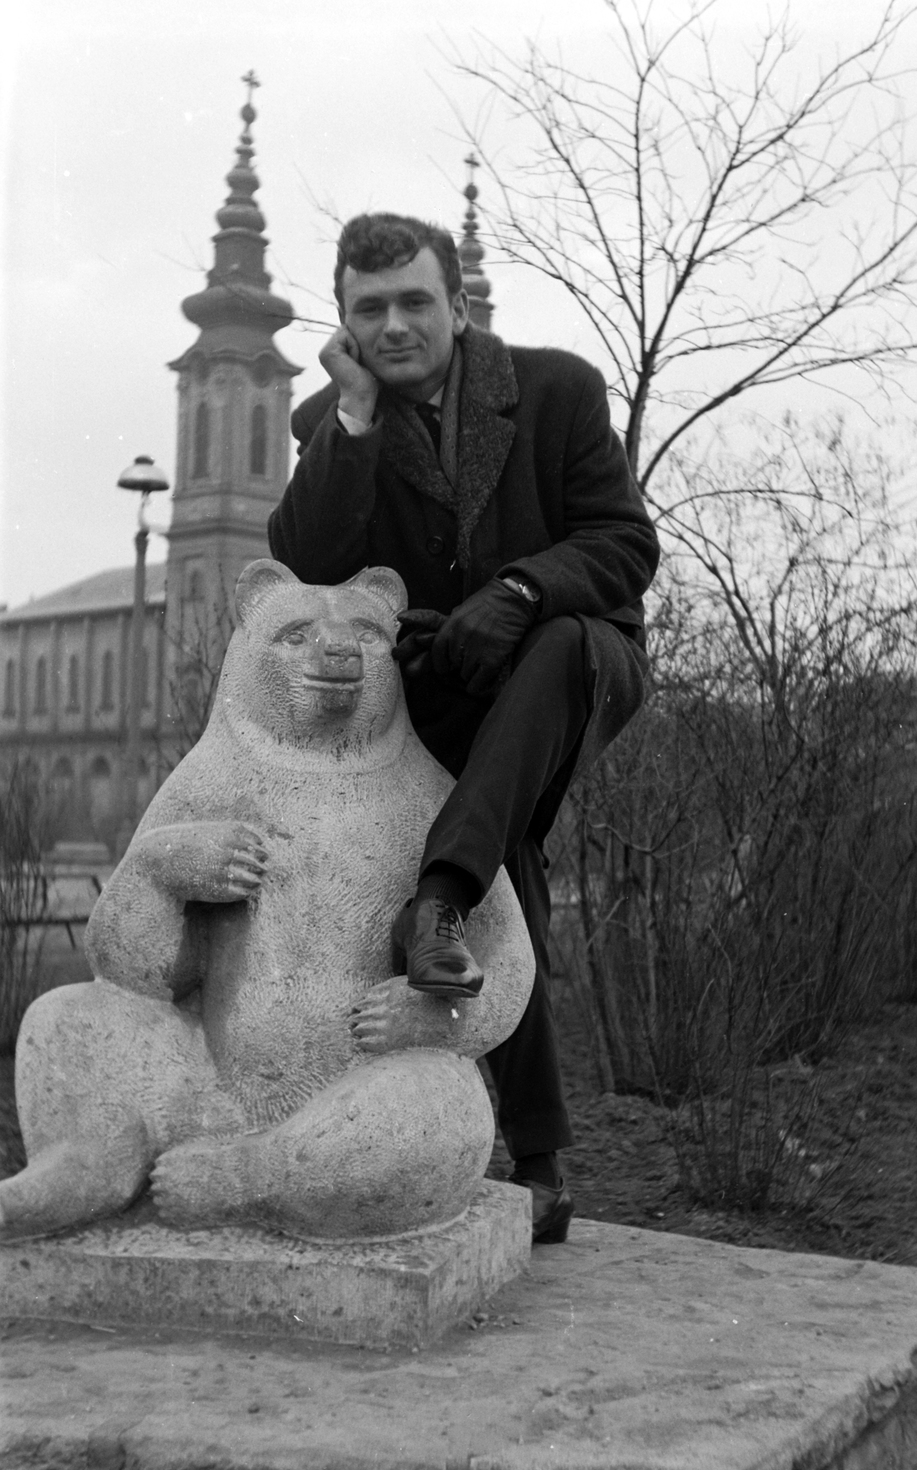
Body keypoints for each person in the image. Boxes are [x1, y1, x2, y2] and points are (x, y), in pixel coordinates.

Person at [268, 212, 658, 1242]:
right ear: (344, 321)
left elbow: (623, 544)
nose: (394, 325)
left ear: (456, 303)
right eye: (369, 308)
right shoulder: (328, 420)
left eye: (414, 302)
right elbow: (306, 568)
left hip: (579, 666)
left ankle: (433, 902)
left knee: (560, 644)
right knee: (497, 839)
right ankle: (540, 1164)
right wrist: (350, 427)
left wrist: (524, 588)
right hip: (441, 687)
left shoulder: (555, 389)